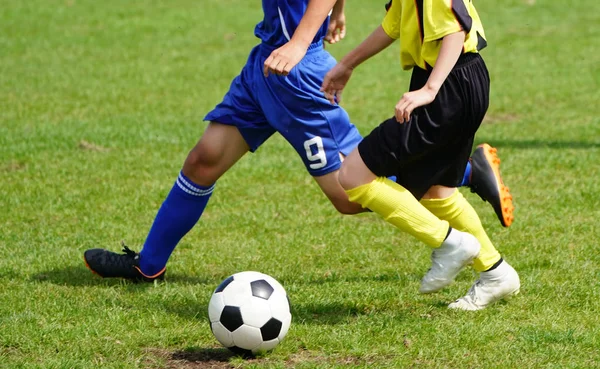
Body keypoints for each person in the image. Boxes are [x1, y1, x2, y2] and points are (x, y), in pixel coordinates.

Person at [83, 0, 514, 291]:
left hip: (296, 74)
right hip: (264, 65)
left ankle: (462, 172)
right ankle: (149, 264)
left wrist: (299, 40)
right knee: (204, 160)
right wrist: (337, 14)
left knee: (351, 194)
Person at [319, 0, 520, 310]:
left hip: (447, 86)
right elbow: (395, 24)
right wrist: (347, 63)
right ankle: (496, 273)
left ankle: (449, 242)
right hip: (459, 80)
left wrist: (430, 89)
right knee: (437, 190)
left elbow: (453, 29)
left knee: (352, 175)